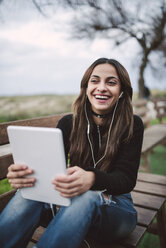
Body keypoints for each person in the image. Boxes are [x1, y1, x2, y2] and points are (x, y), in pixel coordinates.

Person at [0, 58, 144, 248]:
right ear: (85, 88)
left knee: (88, 195)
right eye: (95, 81)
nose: (101, 87)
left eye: (111, 82)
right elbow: (50, 170)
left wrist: (92, 179)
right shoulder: (69, 123)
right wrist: (25, 175)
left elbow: (125, 179)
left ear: (122, 91)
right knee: (30, 191)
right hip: (68, 203)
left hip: (117, 208)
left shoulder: (132, 124)